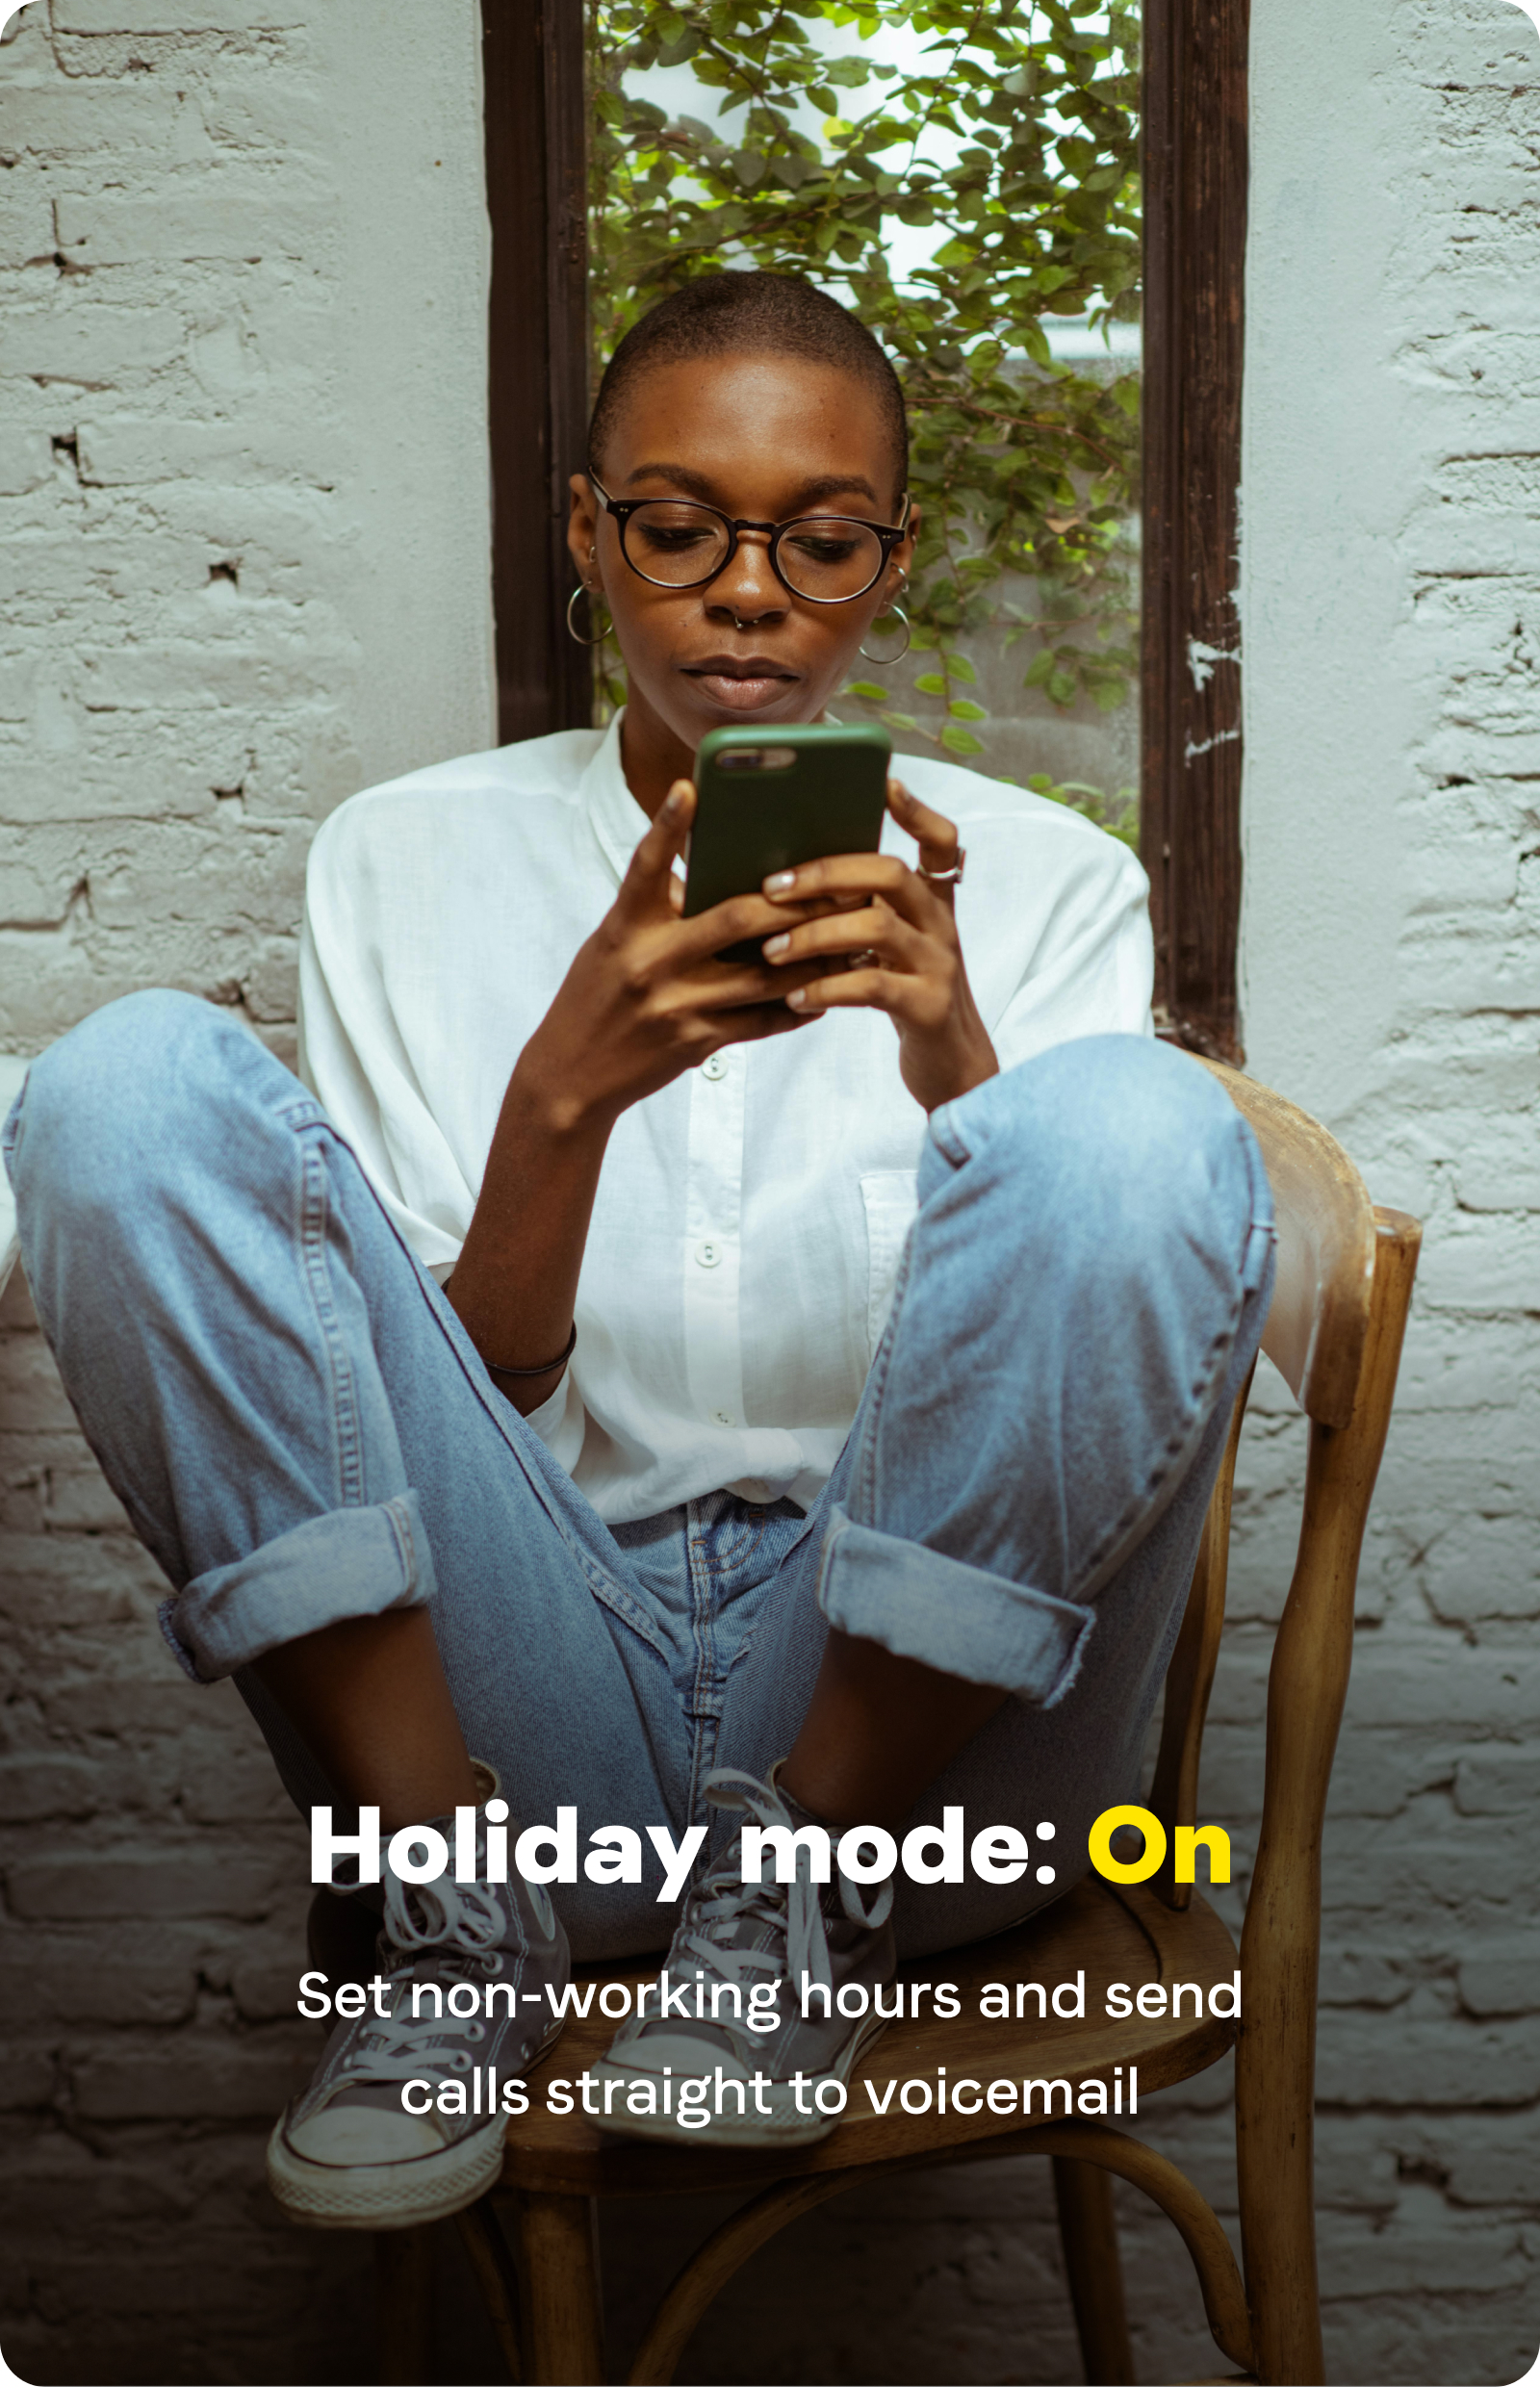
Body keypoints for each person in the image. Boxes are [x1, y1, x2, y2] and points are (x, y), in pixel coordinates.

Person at [3, 271, 1274, 2229]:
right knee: (114, 1090)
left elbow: (1076, 1353)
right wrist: (563, 1101)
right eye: (675, 525)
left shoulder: (1047, 887)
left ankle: (796, 1892)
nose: (744, 590)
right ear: (591, 535)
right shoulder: (401, 862)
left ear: (886, 559)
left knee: (1129, 1121)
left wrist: (953, 1053)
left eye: (818, 538)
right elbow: (445, 1412)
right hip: (527, 1716)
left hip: (926, 1773)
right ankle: (453, 1916)